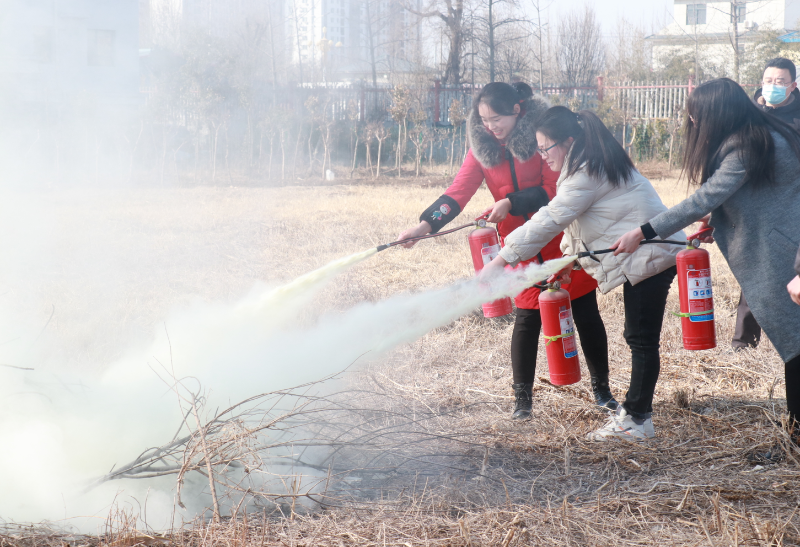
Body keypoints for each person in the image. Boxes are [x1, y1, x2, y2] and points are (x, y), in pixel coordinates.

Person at [397, 82, 607, 420]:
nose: (490, 128)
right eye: (483, 121)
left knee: (584, 311)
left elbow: (552, 191)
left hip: (558, 237)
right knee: (526, 321)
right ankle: (522, 403)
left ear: (517, 111)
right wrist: (425, 227)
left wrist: (510, 201)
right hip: (517, 247)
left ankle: (603, 392)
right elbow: (458, 192)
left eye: (496, 119)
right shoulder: (481, 150)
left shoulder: (542, 139)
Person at [481, 106, 686, 442]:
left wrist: (499, 261)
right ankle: (637, 415)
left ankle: (636, 419)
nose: (542, 156)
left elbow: (550, 220)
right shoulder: (589, 163)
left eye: (546, 148)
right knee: (639, 337)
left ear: (568, 141)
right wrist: (567, 263)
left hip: (651, 253)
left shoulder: (586, 172)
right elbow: (586, 225)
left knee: (641, 339)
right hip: (649, 251)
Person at [614, 78, 800, 428]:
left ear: (718, 114)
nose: (693, 123)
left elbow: (706, 197)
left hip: (784, 256)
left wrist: (643, 232)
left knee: (797, 348)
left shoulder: (747, 147)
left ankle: (796, 436)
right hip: (781, 249)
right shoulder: (761, 134)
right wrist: (720, 223)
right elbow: (754, 197)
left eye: (697, 116)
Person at [732, 57, 800, 349]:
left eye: (781, 82)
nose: (773, 86)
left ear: (793, 85)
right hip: (758, 206)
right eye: (769, 80)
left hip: (791, 206)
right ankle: (743, 343)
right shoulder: (751, 115)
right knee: (755, 271)